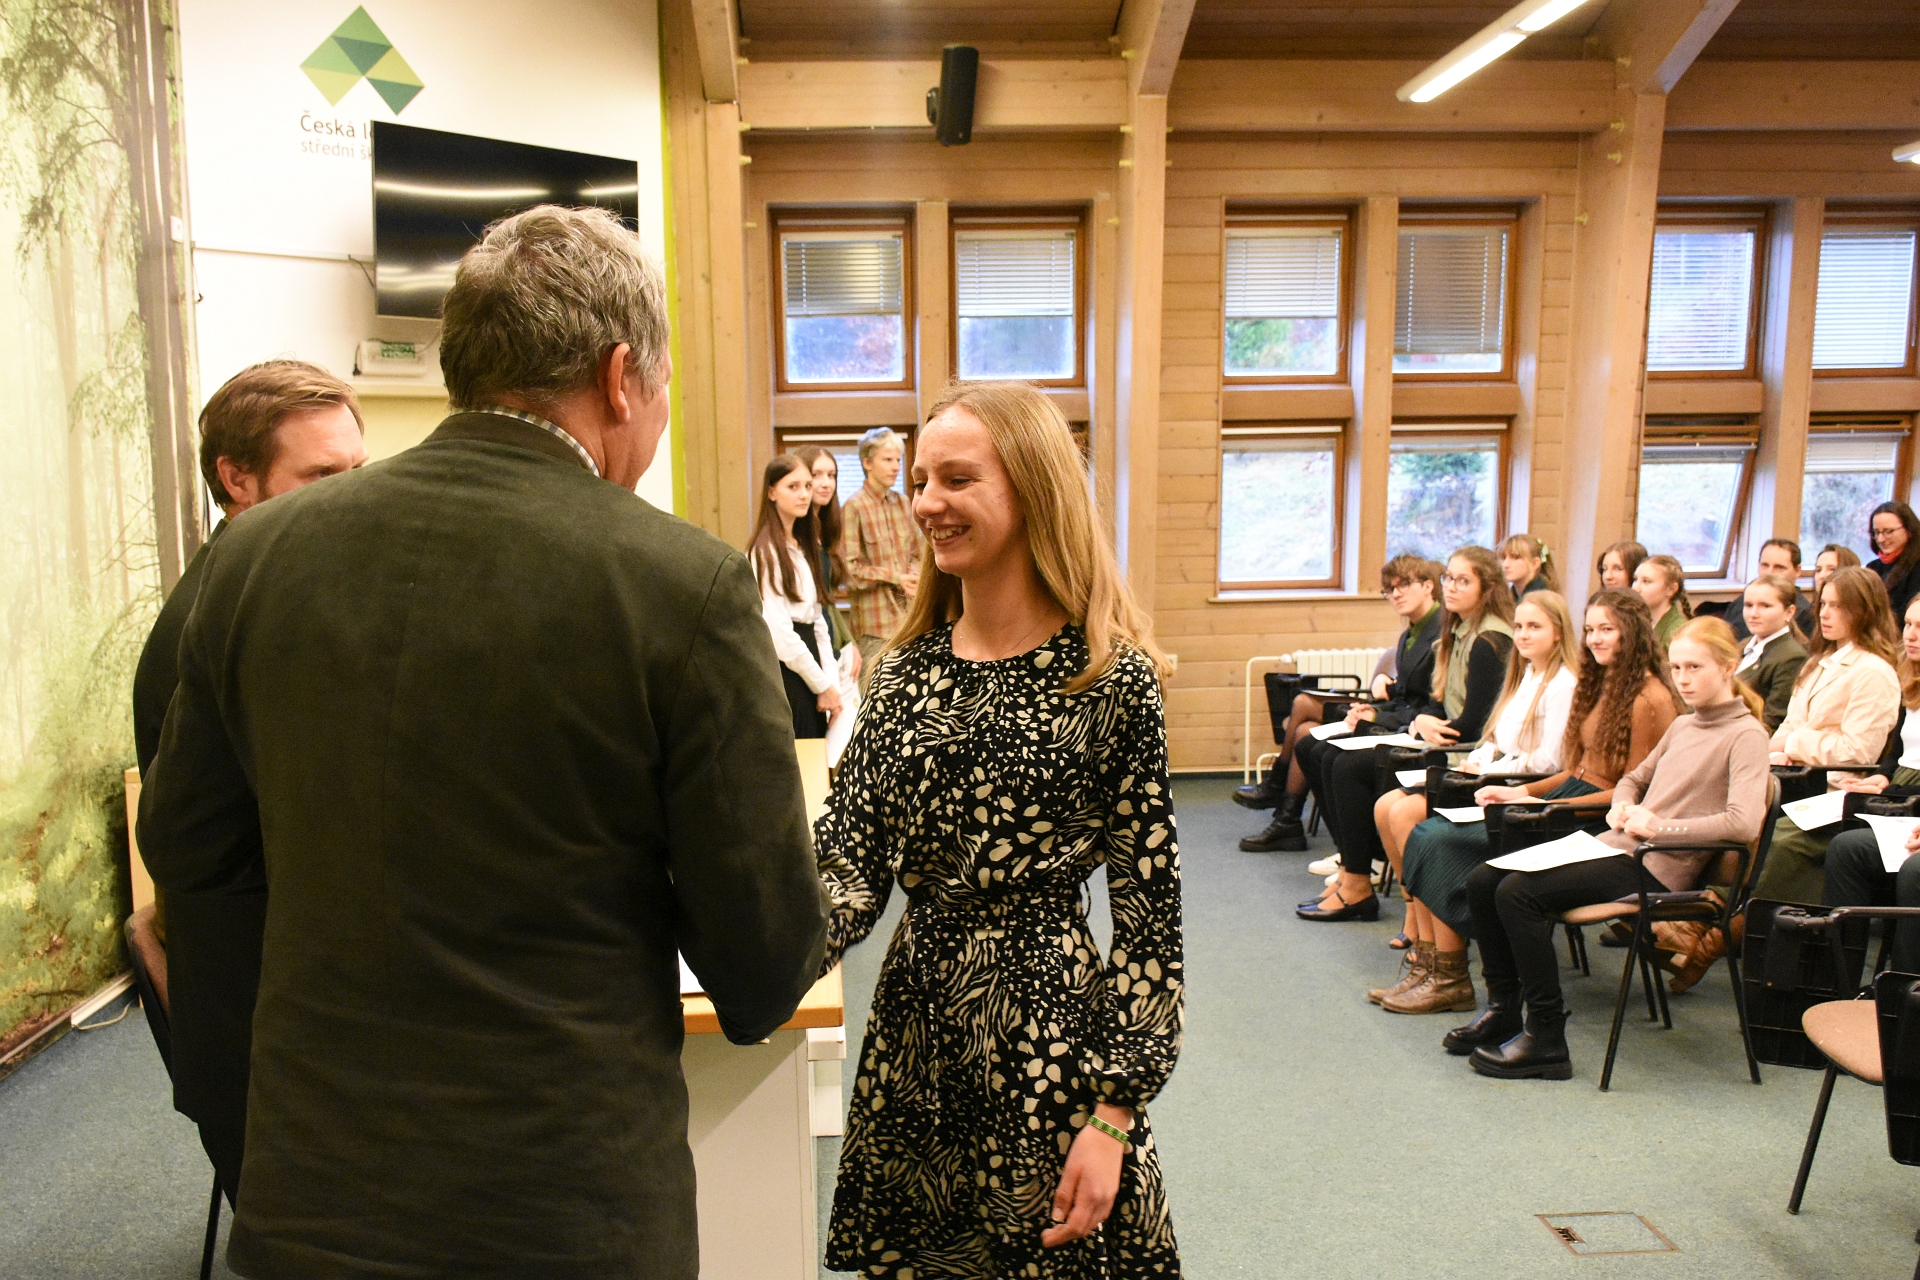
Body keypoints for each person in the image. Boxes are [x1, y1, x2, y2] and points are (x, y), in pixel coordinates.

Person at [139, 206, 830, 1280]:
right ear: (620, 378)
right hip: (563, 1205)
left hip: (312, 1181)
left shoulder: (256, 557)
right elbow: (762, 966)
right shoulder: (680, 584)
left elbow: (186, 845)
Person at [813, 380, 1183, 1277]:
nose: (926, 504)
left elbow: (1148, 917)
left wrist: (1114, 1114)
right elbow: (846, 867)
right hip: (918, 1029)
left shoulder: (1108, 680)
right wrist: (724, 935)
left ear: (1032, 488)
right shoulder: (905, 675)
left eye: (957, 479)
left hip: (1047, 1031)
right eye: (921, 480)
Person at [128, 359, 368, 1205]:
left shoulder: (268, 584)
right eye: (322, 476)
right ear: (236, 480)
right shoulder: (215, 625)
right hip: (269, 1050)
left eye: (359, 471)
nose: (352, 497)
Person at [1455, 617, 1770, 1080]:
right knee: (1483, 880)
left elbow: (1743, 823)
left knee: (1517, 894)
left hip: (1658, 866)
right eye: (1677, 668)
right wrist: (1623, 805)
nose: (1683, 679)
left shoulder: (1746, 735)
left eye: (1695, 667)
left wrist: (1658, 827)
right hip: (1620, 847)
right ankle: (1504, 1009)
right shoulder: (1684, 725)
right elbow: (1632, 779)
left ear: (1728, 667)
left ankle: (1546, 1034)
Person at [1377, 592, 1580, 1014]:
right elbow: (1494, 737)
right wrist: (1478, 761)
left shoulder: (1563, 684)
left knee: (1418, 826)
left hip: (1524, 795)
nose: (1523, 635)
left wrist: (1489, 770)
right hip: (1494, 778)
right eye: (1519, 626)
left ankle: (1447, 972)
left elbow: (1551, 761)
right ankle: (1428, 958)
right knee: (1390, 809)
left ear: (1559, 633)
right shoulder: (1525, 673)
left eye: (1535, 627)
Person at [1299, 546, 1514, 923]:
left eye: (1463, 581)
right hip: (1441, 740)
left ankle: (1358, 883)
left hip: (1469, 756)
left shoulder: (1490, 640)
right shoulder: (1458, 630)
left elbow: (1474, 726)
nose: (1451, 587)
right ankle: (1352, 872)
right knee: (1332, 754)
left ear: (1488, 587)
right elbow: (1437, 703)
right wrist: (1417, 720)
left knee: (1348, 765)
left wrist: (1416, 725)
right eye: (1449, 578)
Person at [1238, 554, 1443, 852]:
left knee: (1308, 717)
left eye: (1404, 585)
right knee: (1305, 732)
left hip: (1415, 730)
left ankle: (1282, 800)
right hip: (1397, 716)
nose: (1396, 594)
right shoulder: (1409, 635)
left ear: (1428, 586)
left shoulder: (1441, 634)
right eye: (1389, 589)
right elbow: (1405, 694)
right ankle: (1292, 820)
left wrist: (1377, 713)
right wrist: (1375, 704)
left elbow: (1426, 703)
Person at [1751, 565, 1903, 905]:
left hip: (1837, 789)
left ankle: (1752, 921)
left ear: (1864, 611)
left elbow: (1858, 751)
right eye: (1824, 604)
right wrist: (1778, 753)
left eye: (1838, 606)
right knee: (1737, 822)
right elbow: (1791, 724)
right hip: (1793, 778)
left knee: (1781, 838)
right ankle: (1716, 909)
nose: (1825, 614)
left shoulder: (1873, 672)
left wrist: (1793, 745)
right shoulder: (1818, 662)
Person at [748, 454, 846, 739]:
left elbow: (819, 621)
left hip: (811, 658)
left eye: (807, 486)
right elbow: (780, 635)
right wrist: (821, 685)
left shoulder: (806, 544)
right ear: (772, 492)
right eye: (793, 487)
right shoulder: (764, 551)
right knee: (803, 751)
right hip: (788, 669)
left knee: (822, 750)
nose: (804, 494)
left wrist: (831, 684)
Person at [842, 426, 922, 669]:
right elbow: (850, 571)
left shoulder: (903, 503)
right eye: (887, 460)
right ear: (867, 463)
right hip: (874, 628)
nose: (896, 467)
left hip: (909, 621)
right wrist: (896, 578)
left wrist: (914, 578)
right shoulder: (854, 507)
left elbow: (918, 554)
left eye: (898, 460)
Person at [792, 444, 862, 671]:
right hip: (806, 652)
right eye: (817, 475)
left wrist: (848, 642)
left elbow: (827, 600)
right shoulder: (793, 537)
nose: (826, 483)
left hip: (831, 648)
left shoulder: (825, 530)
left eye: (831, 475)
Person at [1735, 574, 1810, 731]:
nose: (1753, 613)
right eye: (1748, 605)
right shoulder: (1742, 647)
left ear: (1789, 612)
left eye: (1765, 606)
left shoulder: (1792, 657)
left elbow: (1774, 718)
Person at [1730, 539, 1816, 640]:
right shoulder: (1742, 601)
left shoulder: (1805, 615)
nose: (1769, 573)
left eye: (1779, 567)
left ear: (1797, 571)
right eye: (1765, 565)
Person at [1869, 501, 1920, 620]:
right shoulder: (1872, 568)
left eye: (1889, 531)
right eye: (1877, 532)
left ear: (1909, 530)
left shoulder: (1917, 567)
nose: (1881, 539)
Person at [1633, 553, 1691, 649]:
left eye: (1646, 581)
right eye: (1635, 579)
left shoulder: (1680, 633)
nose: (1636, 588)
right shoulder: (1639, 624)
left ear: (1671, 589)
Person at [1500, 533, 1557, 600]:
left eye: (1516, 557)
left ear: (1535, 563)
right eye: (1504, 557)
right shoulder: (1513, 594)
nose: (1505, 564)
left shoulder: (1539, 599)